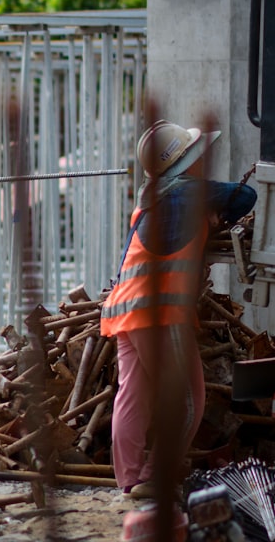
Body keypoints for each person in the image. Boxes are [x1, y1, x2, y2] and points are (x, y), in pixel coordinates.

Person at [100, 120, 256, 500]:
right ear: (187, 161)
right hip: (159, 312)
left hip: (123, 310)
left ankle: (129, 480)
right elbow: (245, 196)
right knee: (188, 401)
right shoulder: (188, 191)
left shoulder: (149, 200)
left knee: (132, 397)